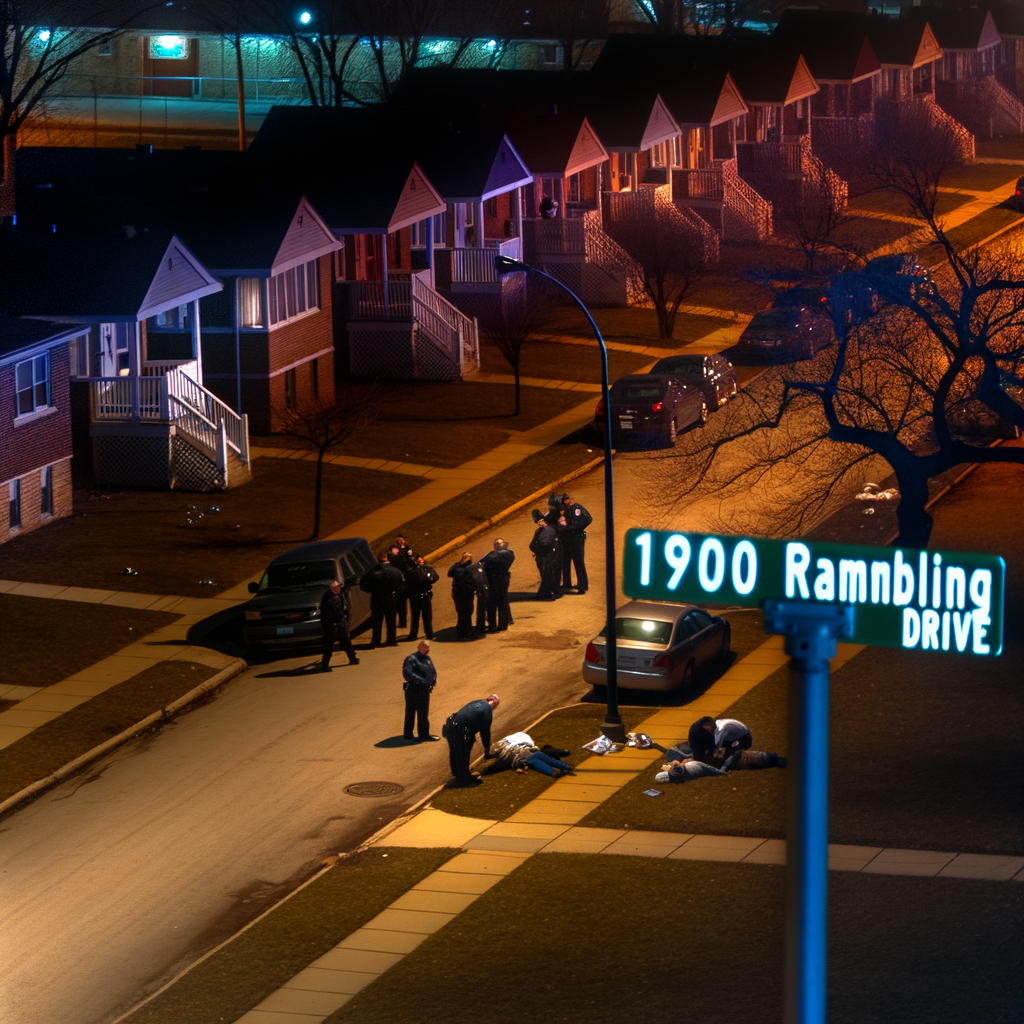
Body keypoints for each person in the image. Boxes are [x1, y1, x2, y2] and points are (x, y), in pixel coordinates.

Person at [442, 694, 500, 786]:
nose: (494, 706)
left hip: (449, 726)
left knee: (455, 752)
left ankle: (458, 774)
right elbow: (485, 733)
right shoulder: (487, 711)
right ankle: (464, 778)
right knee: (462, 752)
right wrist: (487, 751)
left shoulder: (476, 702)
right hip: (458, 730)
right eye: (495, 704)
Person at [360, 552, 405, 647]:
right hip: (391, 598)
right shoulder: (395, 571)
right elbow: (402, 586)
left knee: (377, 621)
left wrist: (370, 590)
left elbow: (363, 584)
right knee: (391, 620)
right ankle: (391, 639)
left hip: (377, 598)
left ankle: (376, 640)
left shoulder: (372, 572)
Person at [553, 490, 592, 593]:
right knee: (565, 562)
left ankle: (582, 585)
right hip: (567, 540)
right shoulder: (565, 510)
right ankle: (567, 583)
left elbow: (588, 519)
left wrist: (573, 528)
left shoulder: (576, 508)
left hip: (577, 539)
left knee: (578, 562)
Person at [402, 641, 439, 741]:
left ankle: (424, 734)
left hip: (424, 690)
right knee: (411, 711)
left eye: (429, 648)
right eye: (426, 648)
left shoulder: (427, 658)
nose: (428, 650)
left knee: (423, 713)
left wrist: (433, 680)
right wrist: (421, 681)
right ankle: (408, 733)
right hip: (413, 689)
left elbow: (432, 670)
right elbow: (407, 673)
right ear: (420, 648)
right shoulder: (412, 659)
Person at [319, 579, 359, 671]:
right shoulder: (332, 599)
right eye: (338, 587)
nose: (339, 589)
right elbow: (336, 612)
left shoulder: (332, 595)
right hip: (334, 625)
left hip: (335, 624)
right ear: (334, 588)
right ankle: (325, 666)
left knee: (344, 642)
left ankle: (352, 658)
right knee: (331, 645)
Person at [688, 716, 753, 769]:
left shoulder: (721, 729)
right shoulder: (716, 724)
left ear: (708, 725)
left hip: (744, 740)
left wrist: (707, 751)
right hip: (734, 737)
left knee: (722, 758)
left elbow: (716, 745)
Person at [480, 538, 515, 632]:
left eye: (499, 544)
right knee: (502, 601)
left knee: (493, 602)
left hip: (494, 579)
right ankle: (503, 624)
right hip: (502, 578)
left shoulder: (496, 555)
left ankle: (493, 625)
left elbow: (483, 563)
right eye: (496, 544)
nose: (498, 545)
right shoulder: (508, 553)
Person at [405, 554, 439, 641]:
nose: (421, 562)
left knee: (418, 616)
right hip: (422, 595)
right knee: (424, 616)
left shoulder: (410, 573)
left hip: (416, 596)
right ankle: (428, 634)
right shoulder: (421, 571)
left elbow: (435, 577)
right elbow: (430, 579)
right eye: (419, 561)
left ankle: (415, 634)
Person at [529, 509, 561, 600]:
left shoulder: (547, 530)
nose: (539, 522)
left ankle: (554, 592)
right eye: (538, 521)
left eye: (540, 521)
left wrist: (536, 548)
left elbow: (543, 544)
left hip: (546, 557)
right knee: (546, 575)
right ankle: (546, 592)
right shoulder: (542, 530)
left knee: (547, 575)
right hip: (543, 556)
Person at [448, 552, 477, 639]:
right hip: (463, 593)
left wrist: (459, 563)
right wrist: (459, 563)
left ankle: (462, 632)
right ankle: (467, 632)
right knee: (465, 613)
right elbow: (450, 573)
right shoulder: (464, 568)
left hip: (462, 593)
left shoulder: (461, 567)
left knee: (463, 613)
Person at [388, 542, 415, 630]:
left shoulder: (401, 559)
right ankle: (400, 620)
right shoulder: (392, 559)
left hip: (402, 584)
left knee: (402, 603)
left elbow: (408, 563)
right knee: (398, 603)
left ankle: (402, 621)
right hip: (396, 582)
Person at [469, 557, 490, 636]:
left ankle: (480, 627)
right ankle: (489, 624)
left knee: (481, 609)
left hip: (483, 590)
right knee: (486, 608)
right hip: (487, 588)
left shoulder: (476, 568)